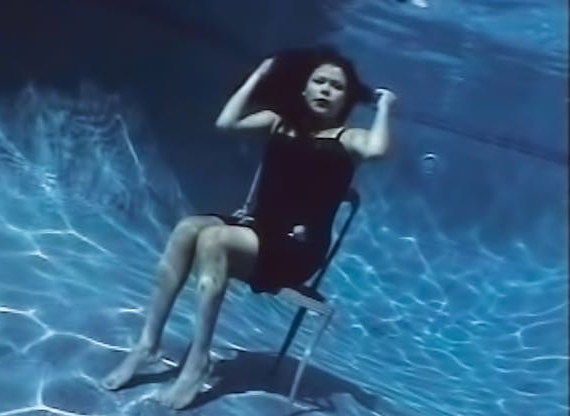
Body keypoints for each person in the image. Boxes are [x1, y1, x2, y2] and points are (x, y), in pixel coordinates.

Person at [100, 46, 396, 409]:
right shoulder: (278, 122)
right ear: (303, 88)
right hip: (256, 229)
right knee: (187, 228)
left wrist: (383, 107)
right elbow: (226, 122)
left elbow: (379, 150)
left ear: (346, 99)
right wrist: (259, 75)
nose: (325, 90)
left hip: (296, 250)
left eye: (336, 87)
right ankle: (148, 344)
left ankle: (199, 360)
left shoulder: (347, 139)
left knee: (215, 239)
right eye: (318, 81)